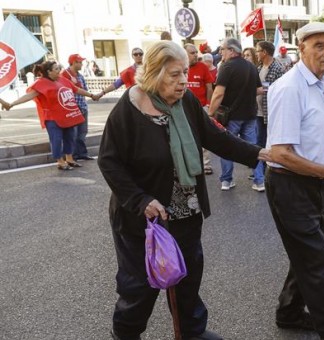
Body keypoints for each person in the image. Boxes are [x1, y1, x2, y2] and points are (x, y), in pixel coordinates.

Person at [97, 41, 270, 340]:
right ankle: (125, 333)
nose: (183, 82)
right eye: (174, 75)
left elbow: (216, 137)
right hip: (144, 219)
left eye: (185, 73)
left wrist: (260, 154)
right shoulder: (130, 106)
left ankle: (191, 331)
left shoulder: (186, 101)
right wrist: (140, 199)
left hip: (185, 211)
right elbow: (109, 162)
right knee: (139, 286)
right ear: (153, 73)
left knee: (188, 279)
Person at [266, 21, 324, 340]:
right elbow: (280, 153)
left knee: (305, 253)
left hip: (315, 182)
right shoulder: (289, 87)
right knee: (316, 256)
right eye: (319, 45)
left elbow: (321, 131)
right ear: (301, 48)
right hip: (289, 184)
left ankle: (289, 312)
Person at [1, 60, 99, 169]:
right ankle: (60, 162)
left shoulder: (63, 80)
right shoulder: (41, 83)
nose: (59, 71)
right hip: (53, 118)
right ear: (49, 72)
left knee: (70, 137)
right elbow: (29, 96)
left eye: (59, 68)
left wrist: (91, 95)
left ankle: (69, 159)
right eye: (56, 69)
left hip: (68, 115)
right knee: (56, 139)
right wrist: (12, 104)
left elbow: (76, 89)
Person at [209, 38, 263, 191]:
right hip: (250, 114)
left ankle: (227, 180)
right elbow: (259, 90)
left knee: (226, 147)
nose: (220, 52)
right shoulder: (252, 67)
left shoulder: (227, 67)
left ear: (231, 51)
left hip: (231, 116)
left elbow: (218, 93)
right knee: (253, 148)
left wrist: (210, 113)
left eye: (223, 49)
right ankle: (259, 181)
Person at [253, 41, 286, 192]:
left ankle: (270, 172)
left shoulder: (277, 68)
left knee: (269, 142)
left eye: (258, 51)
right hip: (259, 112)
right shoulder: (259, 67)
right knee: (259, 142)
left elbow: (278, 88)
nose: (256, 53)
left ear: (265, 52)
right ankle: (259, 171)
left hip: (270, 112)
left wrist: (259, 89)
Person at [184, 44, 216, 175]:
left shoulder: (202, 67)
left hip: (201, 107)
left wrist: (208, 105)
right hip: (184, 108)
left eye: (196, 52)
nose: (196, 55)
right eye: (192, 53)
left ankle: (206, 164)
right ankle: (189, 164)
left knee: (203, 134)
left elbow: (209, 87)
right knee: (187, 136)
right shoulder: (180, 67)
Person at [60, 54, 95, 161]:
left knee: (82, 132)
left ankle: (82, 153)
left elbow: (84, 89)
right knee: (72, 133)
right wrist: (72, 84)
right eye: (79, 62)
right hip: (72, 108)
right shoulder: (64, 75)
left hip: (83, 106)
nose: (81, 64)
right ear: (74, 62)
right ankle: (72, 155)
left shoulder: (80, 75)